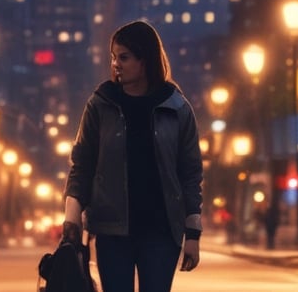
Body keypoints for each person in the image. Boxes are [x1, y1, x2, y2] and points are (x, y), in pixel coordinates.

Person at [62, 20, 203, 292]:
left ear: (145, 59)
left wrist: (193, 234)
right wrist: (72, 218)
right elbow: (82, 164)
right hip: (111, 230)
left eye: (124, 57)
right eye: (114, 57)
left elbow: (190, 174)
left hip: (162, 232)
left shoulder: (176, 108)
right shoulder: (101, 104)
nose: (116, 64)